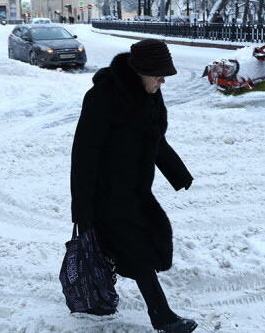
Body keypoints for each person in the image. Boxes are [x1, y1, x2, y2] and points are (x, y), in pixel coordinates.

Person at [70, 39, 197, 333]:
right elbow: (84, 154)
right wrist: (82, 206)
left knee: (121, 245)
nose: (163, 81)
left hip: (137, 189)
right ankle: (162, 316)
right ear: (140, 70)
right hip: (108, 192)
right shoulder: (104, 97)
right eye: (159, 75)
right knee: (138, 249)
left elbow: (154, 137)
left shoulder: (148, 93)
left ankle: (95, 299)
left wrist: (178, 173)